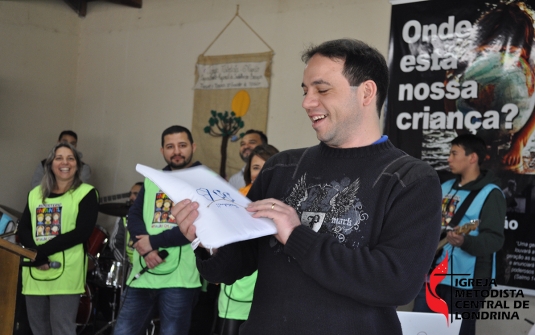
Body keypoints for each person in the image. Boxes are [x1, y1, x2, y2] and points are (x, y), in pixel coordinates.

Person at [172, 39, 442, 334]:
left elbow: (396, 284)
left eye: (322, 90)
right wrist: (206, 239)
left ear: (366, 92)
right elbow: (233, 267)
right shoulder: (281, 167)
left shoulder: (410, 179)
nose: (307, 102)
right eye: (305, 91)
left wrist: (298, 236)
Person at [414, 134, 506, 335]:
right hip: (432, 278)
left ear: (472, 158)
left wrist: (465, 240)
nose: (449, 158)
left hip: (466, 284)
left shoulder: (491, 194)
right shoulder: (444, 187)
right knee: (420, 330)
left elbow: (495, 240)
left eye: (454, 153)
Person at [113, 125, 202, 335]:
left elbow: (195, 226)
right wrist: (147, 250)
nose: (176, 151)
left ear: (193, 147)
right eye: (170, 146)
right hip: (143, 273)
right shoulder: (153, 178)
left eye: (182, 145)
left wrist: (153, 243)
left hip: (180, 279)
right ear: (162, 151)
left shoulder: (203, 179)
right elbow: (134, 215)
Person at [18, 142, 99, 335]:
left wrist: (41, 253)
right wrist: (37, 255)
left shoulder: (86, 193)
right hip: (35, 273)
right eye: (59, 158)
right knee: (38, 330)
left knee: (62, 329)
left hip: (66, 274)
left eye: (71, 158)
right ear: (50, 164)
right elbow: (24, 229)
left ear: (78, 165)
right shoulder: (34, 194)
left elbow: (81, 232)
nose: (65, 162)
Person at [214, 144, 279, 335]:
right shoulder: (235, 199)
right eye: (256, 167)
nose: (260, 173)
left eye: (266, 166)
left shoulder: (288, 201)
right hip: (238, 285)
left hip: (269, 285)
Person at [108, 182, 143, 264]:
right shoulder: (124, 215)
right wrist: (126, 263)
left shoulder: (152, 217)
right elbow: (115, 243)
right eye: (130, 194)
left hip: (148, 265)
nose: (131, 197)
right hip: (128, 266)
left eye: (136, 194)